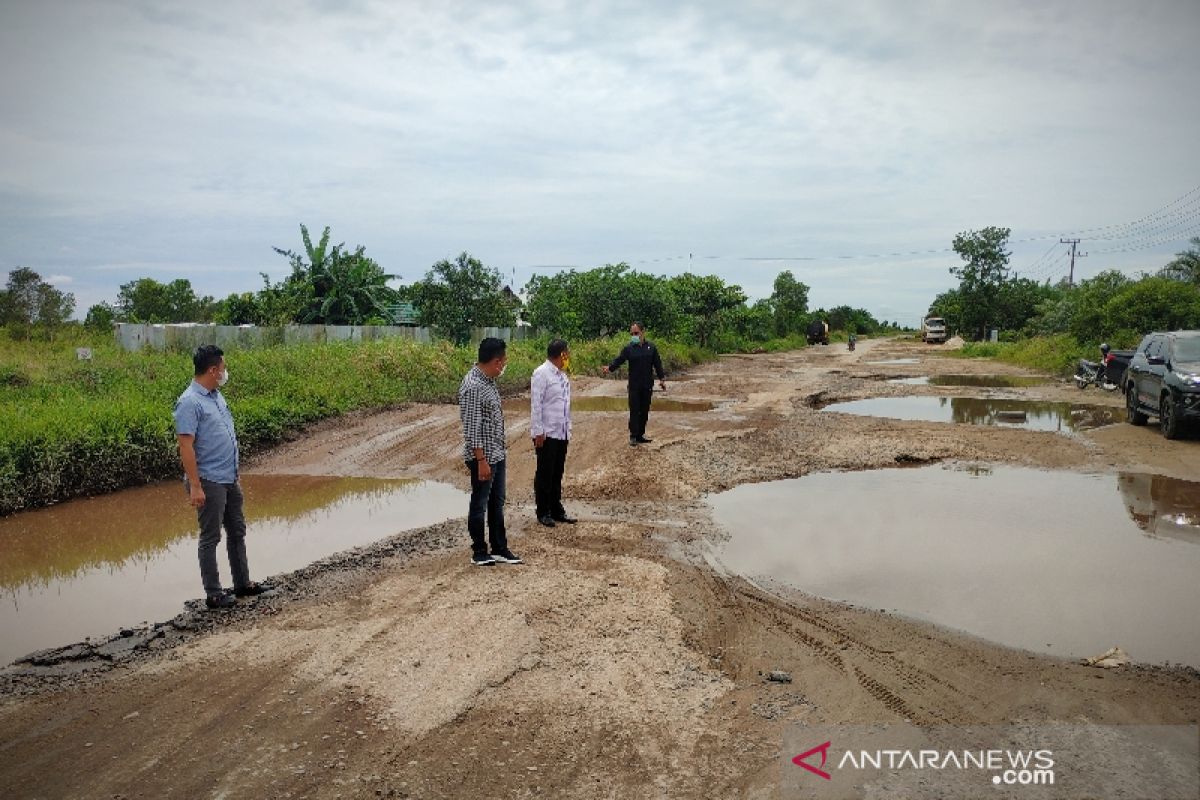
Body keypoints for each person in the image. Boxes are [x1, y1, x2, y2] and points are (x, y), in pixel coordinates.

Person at [174, 345, 270, 610]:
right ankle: (214, 594)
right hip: (208, 480)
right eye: (223, 368)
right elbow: (185, 446)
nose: (225, 372)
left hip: (229, 477)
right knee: (210, 537)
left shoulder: (216, 396)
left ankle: (242, 583)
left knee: (237, 530)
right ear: (213, 370)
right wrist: (195, 486)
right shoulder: (189, 402)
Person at [458, 337, 522, 566]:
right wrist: (481, 460)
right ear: (496, 361)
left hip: (496, 453)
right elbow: (472, 428)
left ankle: (500, 548)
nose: (504, 366)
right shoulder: (473, 386)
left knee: (497, 501)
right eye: (503, 361)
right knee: (480, 503)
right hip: (483, 457)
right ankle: (479, 551)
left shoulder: (488, 381)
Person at [530, 339, 577, 528]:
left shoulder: (562, 376)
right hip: (547, 433)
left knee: (557, 472)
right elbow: (536, 405)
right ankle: (543, 511)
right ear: (561, 354)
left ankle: (556, 508)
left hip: (562, 432)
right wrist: (538, 431)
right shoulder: (541, 374)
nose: (569, 357)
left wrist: (568, 428)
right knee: (545, 473)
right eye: (567, 353)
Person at [602, 321, 666, 446]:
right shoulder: (629, 349)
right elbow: (619, 360)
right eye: (632, 334)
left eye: (636, 333)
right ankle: (633, 436)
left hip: (647, 385)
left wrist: (662, 379)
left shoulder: (651, 348)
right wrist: (609, 368)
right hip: (634, 386)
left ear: (643, 332)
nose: (634, 336)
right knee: (634, 410)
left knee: (644, 410)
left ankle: (641, 434)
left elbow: (657, 364)